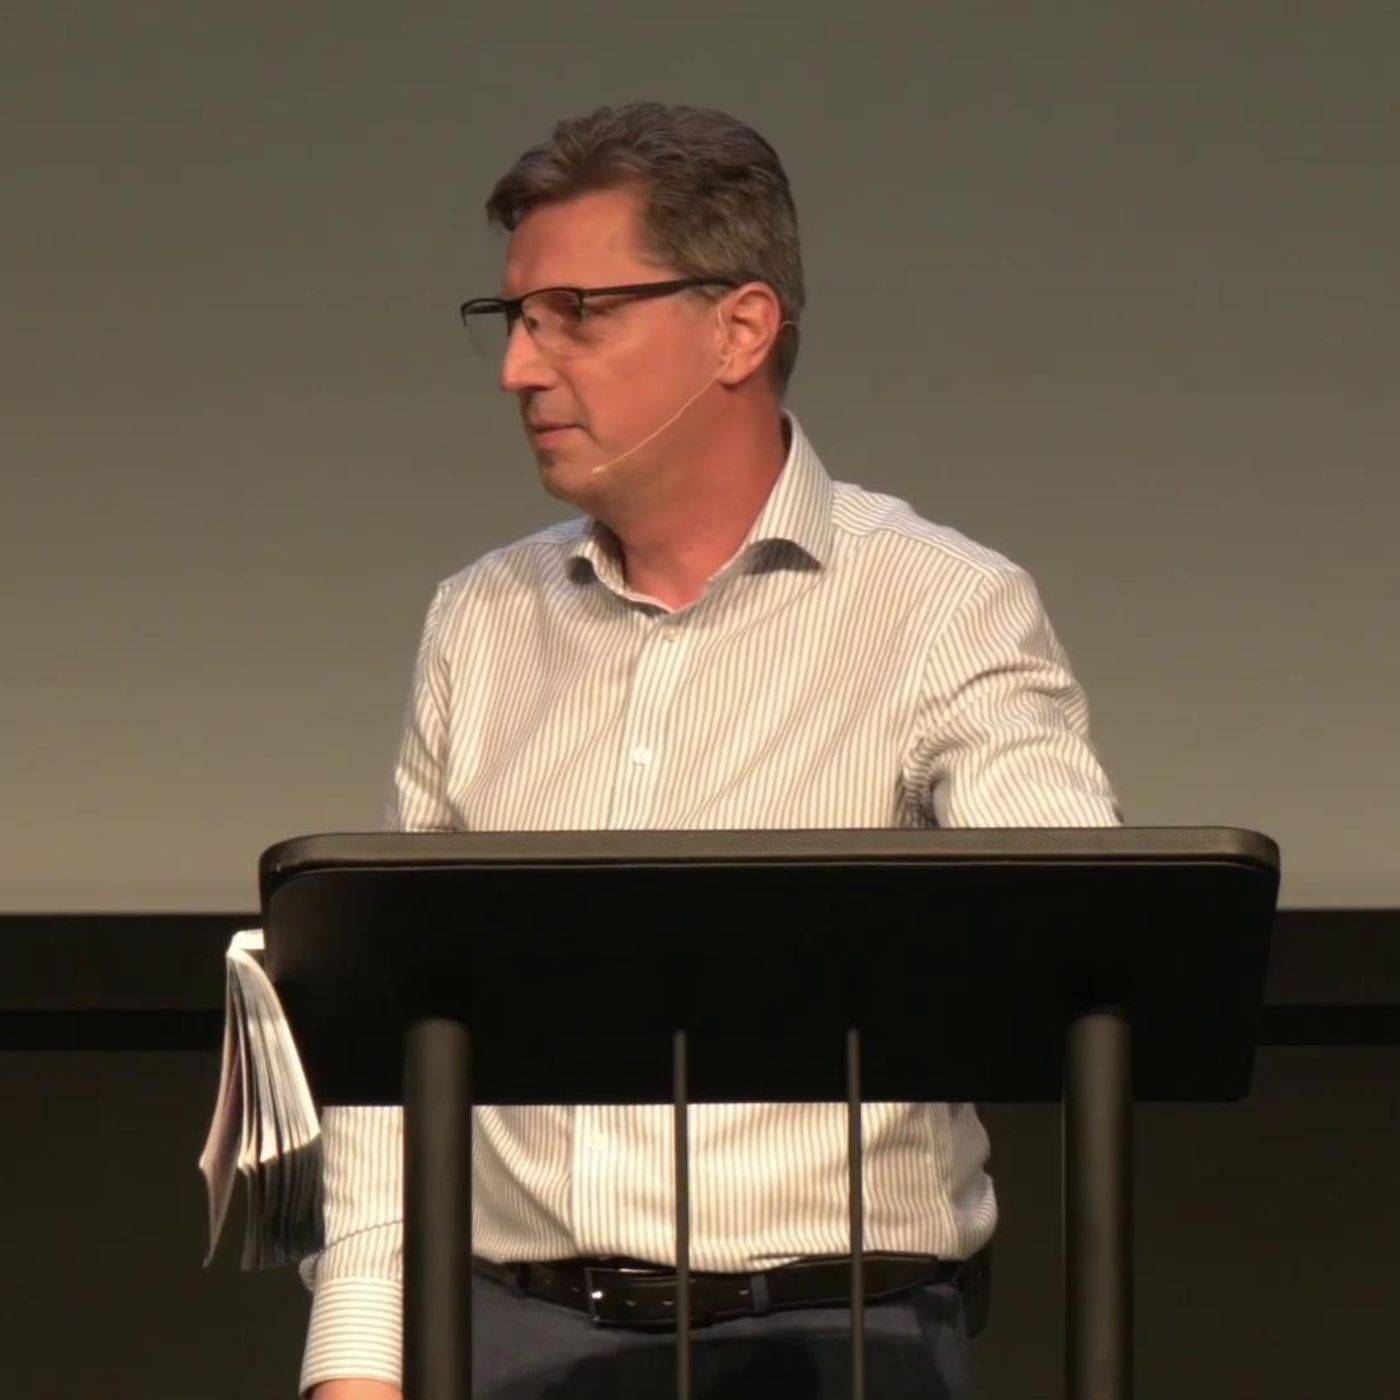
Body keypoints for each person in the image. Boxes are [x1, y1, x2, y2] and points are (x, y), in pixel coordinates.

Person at [300, 102, 1120, 1400]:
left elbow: (1077, 927)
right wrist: (359, 1358)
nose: (519, 368)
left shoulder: (940, 605)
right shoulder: (481, 619)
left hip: (839, 1342)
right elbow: (397, 1032)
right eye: (511, 318)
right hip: (507, 1337)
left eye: (574, 314)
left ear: (740, 327)